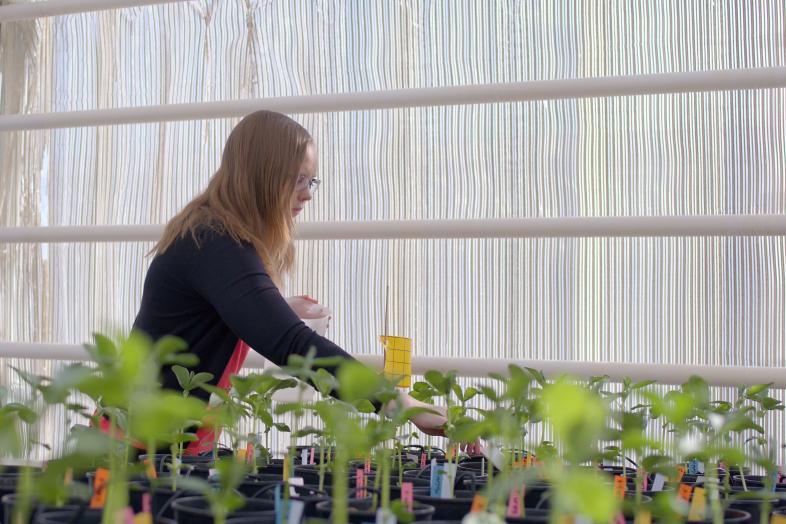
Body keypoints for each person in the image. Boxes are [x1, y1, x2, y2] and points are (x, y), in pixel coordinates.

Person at [132, 110, 447, 454]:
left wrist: (274, 306)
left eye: (311, 181)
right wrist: (401, 402)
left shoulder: (212, 232)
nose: (308, 194)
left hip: (167, 444)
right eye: (298, 179)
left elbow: (222, 316)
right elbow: (293, 345)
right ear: (264, 177)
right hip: (142, 448)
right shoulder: (215, 242)